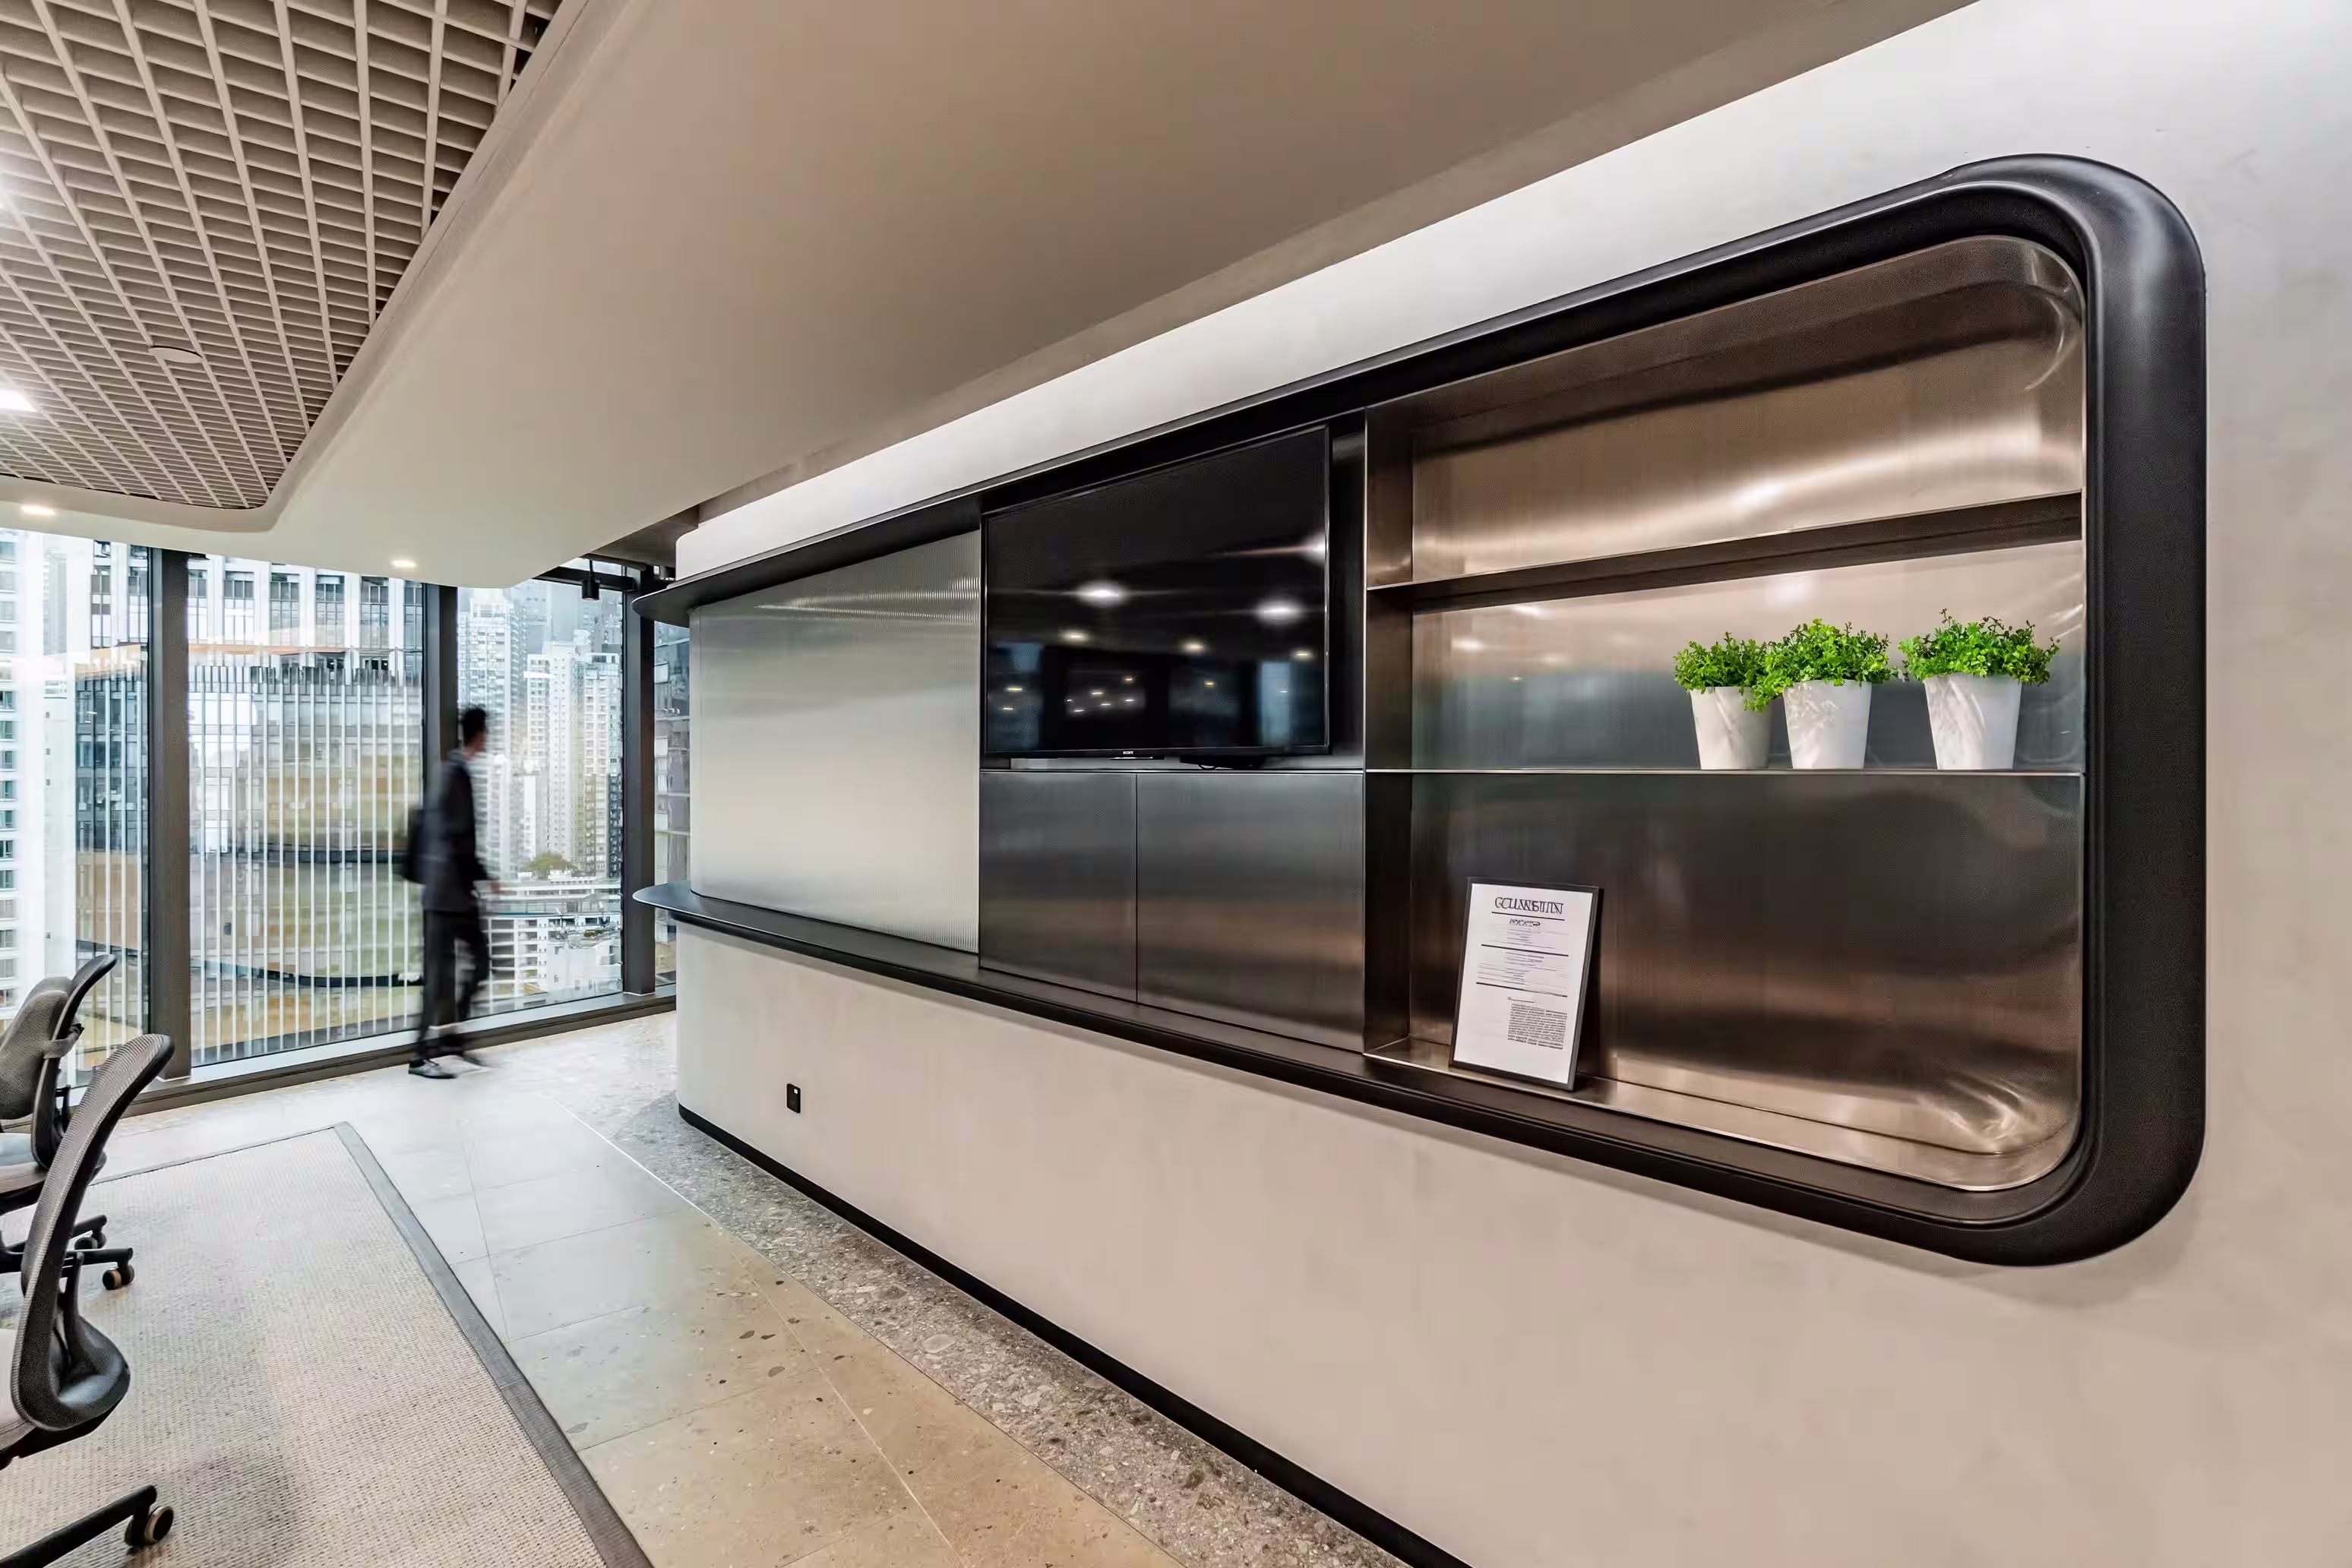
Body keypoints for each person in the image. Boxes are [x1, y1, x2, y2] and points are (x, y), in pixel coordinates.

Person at [413, 707, 496, 1077]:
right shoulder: (455, 774)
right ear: (480, 735)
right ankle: (419, 1056)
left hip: (450, 894)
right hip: (449, 897)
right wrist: (484, 877)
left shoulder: (451, 773)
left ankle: (451, 1038)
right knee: (444, 975)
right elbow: (458, 838)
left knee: (475, 964)